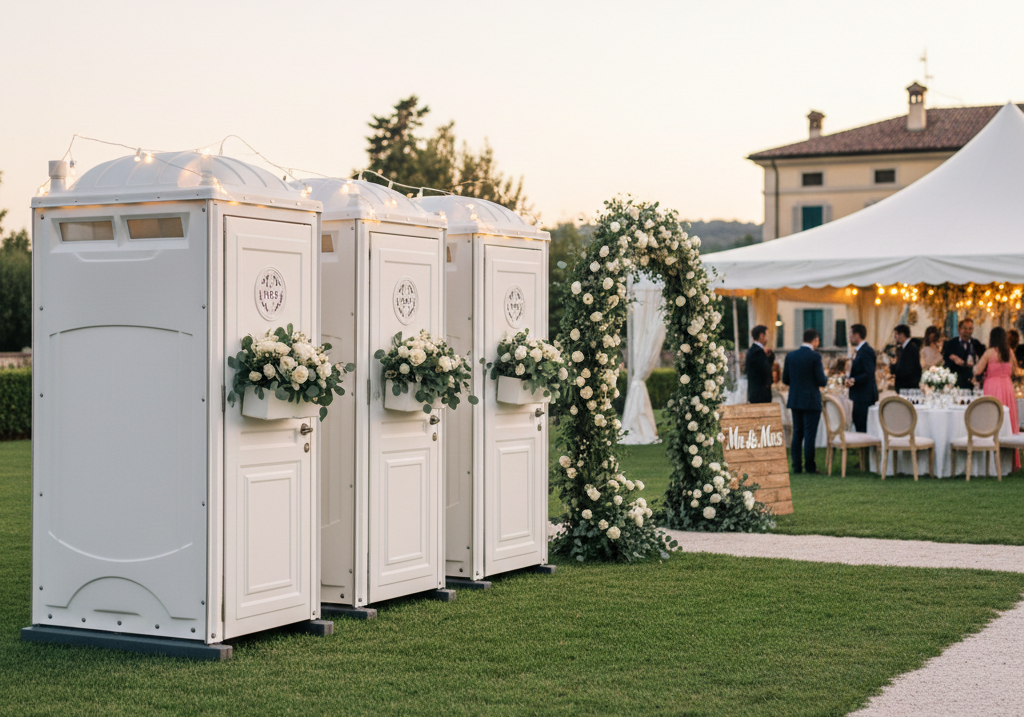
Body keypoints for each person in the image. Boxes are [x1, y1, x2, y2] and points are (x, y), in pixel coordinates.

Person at [973, 326, 1020, 469]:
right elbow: (1015, 370)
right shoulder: (1010, 352)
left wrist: (973, 365)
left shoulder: (989, 353)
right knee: (1007, 419)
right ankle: (1008, 460)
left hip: (992, 386)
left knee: (991, 419)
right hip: (1007, 387)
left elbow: (977, 370)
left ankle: (991, 459)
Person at [783, 328, 828, 474]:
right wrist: (825, 379)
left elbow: (785, 379)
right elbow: (821, 380)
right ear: (815, 340)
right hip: (810, 400)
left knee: (797, 433)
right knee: (809, 435)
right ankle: (810, 467)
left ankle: (796, 466)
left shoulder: (790, 356)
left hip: (795, 399)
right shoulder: (815, 357)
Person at [845, 324, 878, 433]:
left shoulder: (866, 351)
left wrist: (854, 380)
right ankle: (862, 449)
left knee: (862, 424)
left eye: (850, 334)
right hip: (861, 395)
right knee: (858, 422)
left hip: (864, 396)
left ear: (857, 335)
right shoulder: (861, 351)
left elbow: (868, 373)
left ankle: (864, 448)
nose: (849, 337)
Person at [943, 318, 985, 389]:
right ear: (959, 329)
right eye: (965, 328)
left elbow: (982, 360)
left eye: (970, 329)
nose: (967, 331)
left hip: (972, 382)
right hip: (955, 382)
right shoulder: (950, 344)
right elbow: (945, 359)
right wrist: (954, 359)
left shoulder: (977, 344)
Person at [745, 325, 774, 404]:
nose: (767, 338)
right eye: (767, 335)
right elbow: (765, 370)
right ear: (761, 335)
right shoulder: (758, 352)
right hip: (760, 394)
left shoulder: (753, 350)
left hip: (755, 392)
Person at [890, 324, 921, 392]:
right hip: (906, 386)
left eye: (896, 335)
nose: (895, 337)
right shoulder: (904, 347)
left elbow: (907, 369)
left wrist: (895, 368)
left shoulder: (911, 348)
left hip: (908, 387)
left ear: (902, 335)